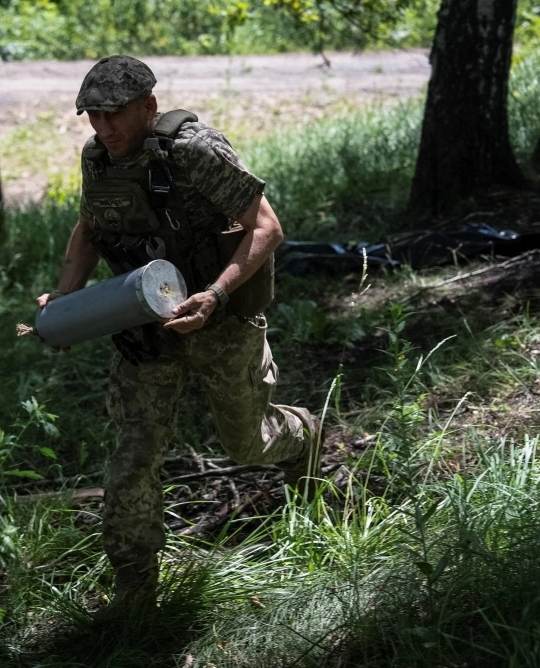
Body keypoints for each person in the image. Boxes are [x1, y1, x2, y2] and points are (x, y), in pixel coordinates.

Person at [36, 55, 321, 611]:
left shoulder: (195, 152)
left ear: (148, 106)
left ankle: (304, 435)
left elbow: (266, 228)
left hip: (221, 324)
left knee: (247, 442)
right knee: (133, 456)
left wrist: (214, 295)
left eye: (113, 114)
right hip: (145, 330)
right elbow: (91, 228)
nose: (102, 128)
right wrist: (67, 297)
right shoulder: (98, 158)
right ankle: (134, 590)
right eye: (92, 115)